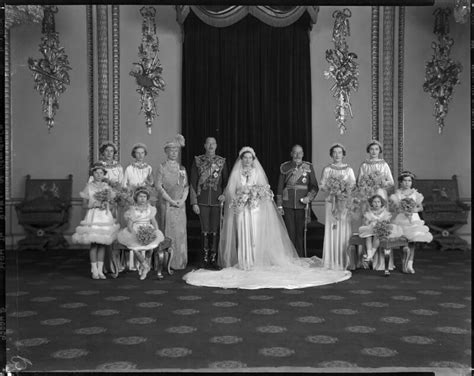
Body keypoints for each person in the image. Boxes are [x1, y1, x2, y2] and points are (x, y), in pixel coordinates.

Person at [182, 146, 351, 289]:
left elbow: (265, 189)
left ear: (253, 159)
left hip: (255, 208)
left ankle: (255, 261)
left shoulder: (259, 171)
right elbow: (231, 190)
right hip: (242, 208)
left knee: (257, 236)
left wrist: (255, 195)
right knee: (243, 234)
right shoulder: (237, 172)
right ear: (242, 159)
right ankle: (243, 262)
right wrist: (238, 197)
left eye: (250, 157)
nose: (248, 160)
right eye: (245, 158)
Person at [72, 162, 120, 279]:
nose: (98, 175)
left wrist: (106, 204)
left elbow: (112, 202)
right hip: (93, 215)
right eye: (96, 172)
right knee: (94, 244)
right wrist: (94, 204)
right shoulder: (89, 186)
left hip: (104, 215)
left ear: (104, 174)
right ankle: (94, 270)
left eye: (101, 173)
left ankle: (100, 270)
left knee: (102, 243)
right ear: (92, 174)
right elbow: (84, 204)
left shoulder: (106, 187)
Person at [383, 171, 433, 274]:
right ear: (400, 182)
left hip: (413, 219)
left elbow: (421, 207)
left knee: (412, 242)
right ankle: (404, 263)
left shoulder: (416, 194)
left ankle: (410, 264)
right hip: (401, 219)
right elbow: (395, 209)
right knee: (403, 242)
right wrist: (403, 210)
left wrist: (413, 210)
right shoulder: (397, 195)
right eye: (404, 181)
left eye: (409, 181)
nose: (407, 183)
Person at [190, 137, 228, 269]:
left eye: (213, 143)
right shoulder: (198, 161)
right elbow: (193, 182)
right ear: (205, 145)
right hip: (202, 200)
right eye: (208, 143)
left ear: (216, 146)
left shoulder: (221, 161)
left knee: (215, 230)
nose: (211, 146)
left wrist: (224, 194)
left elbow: (226, 182)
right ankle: (204, 260)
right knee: (205, 230)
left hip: (217, 201)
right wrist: (194, 202)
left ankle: (213, 259)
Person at [89, 141, 125, 277]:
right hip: (99, 207)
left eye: (112, 151)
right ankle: (100, 267)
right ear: (102, 152)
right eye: (107, 151)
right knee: (99, 238)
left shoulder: (118, 167)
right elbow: (91, 187)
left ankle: (113, 264)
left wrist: (116, 196)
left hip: (113, 205)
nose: (109, 154)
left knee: (112, 234)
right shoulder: (98, 167)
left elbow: (121, 186)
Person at [276, 145, 318, 257]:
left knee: (300, 233)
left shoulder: (308, 166)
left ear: (303, 154)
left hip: (302, 204)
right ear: (291, 154)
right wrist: (279, 205)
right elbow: (280, 187)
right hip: (287, 203)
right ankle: (290, 257)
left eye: (300, 153)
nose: (297, 155)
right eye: (295, 153)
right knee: (290, 232)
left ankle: (299, 257)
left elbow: (314, 186)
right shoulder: (285, 166)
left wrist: (309, 197)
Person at [320, 143, 356, 271]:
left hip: (344, 203)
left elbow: (353, 185)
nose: (337, 155)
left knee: (344, 228)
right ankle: (331, 260)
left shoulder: (349, 170)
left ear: (343, 154)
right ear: (331, 154)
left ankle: (344, 260)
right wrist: (333, 188)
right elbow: (322, 185)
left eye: (339, 152)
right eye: (334, 152)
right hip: (331, 202)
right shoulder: (327, 169)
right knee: (332, 228)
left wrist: (343, 189)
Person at [156, 134, 189, 270]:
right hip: (167, 204)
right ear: (166, 152)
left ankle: (179, 261)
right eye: (171, 151)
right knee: (167, 231)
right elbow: (158, 186)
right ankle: (165, 263)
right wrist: (171, 201)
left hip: (180, 206)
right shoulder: (161, 167)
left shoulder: (182, 169)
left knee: (180, 233)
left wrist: (181, 201)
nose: (174, 153)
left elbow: (186, 186)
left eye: (176, 151)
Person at [117, 187, 164, 280]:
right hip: (136, 230)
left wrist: (155, 231)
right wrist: (135, 234)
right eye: (140, 196)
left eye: (144, 196)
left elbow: (154, 222)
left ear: (147, 198)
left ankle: (144, 267)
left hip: (148, 228)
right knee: (135, 248)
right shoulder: (133, 209)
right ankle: (145, 265)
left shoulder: (150, 209)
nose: (142, 199)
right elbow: (130, 225)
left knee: (151, 246)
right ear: (136, 198)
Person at [121, 143, 154, 271]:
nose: (140, 155)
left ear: (145, 154)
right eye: (137, 153)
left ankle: (145, 262)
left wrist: (148, 186)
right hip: (133, 201)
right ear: (134, 154)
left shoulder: (149, 168)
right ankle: (133, 262)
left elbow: (151, 185)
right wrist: (131, 196)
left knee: (146, 228)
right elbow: (124, 185)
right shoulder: (129, 168)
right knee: (133, 229)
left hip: (145, 200)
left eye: (142, 153)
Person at [358, 194, 403, 262]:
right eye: (374, 202)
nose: (376, 204)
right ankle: (369, 254)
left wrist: (380, 223)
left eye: (378, 202)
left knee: (378, 234)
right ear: (371, 203)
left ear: (381, 203)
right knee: (368, 236)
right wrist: (369, 221)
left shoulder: (385, 213)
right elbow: (366, 223)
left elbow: (386, 222)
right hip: (371, 229)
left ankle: (370, 256)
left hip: (381, 229)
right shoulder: (369, 213)